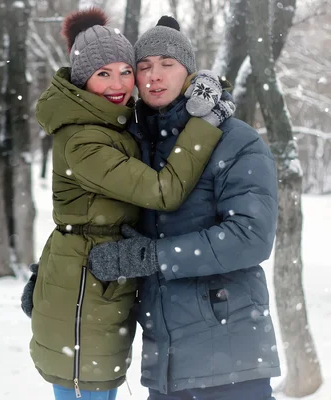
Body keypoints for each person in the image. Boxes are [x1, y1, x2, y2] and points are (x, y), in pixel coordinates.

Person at [23, 8, 234, 400]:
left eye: (125, 71)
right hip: (85, 292)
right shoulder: (86, 139)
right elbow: (163, 192)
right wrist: (205, 123)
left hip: (92, 282)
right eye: (104, 74)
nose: (119, 83)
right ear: (84, 79)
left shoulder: (111, 122)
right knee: (90, 388)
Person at [87, 16, 280, 400]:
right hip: (165, 370)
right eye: (144, 67)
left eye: (167, 64)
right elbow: (104, 226)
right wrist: (53, 277)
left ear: (189, 72)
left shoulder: (235, 140)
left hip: (232, 362)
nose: (154, 75)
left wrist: (154, 256)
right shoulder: (136, 145)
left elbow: (252, 237)